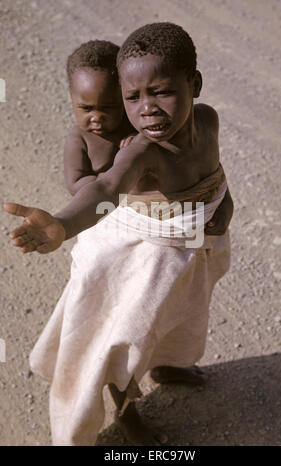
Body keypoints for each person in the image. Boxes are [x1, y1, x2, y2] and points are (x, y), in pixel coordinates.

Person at [4, 22, 233, 446]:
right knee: (122, 338)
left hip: (188, 253)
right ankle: (127, 410)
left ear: (194, 84)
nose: (147, 108)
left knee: (179, 316)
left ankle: (168, 364)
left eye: (161, 91)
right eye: (132, 98)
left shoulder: (207, 119)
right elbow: (105, 189)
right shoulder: (141, 150)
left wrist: (226, 201)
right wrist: (62, 224)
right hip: (140, 261)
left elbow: (213, 173)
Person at [63, 39, 134, 196]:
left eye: (108, 108)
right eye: (86, 108)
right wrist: (109, 178)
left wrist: (140, 142)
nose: (96, 117)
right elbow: (75, 184)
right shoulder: (79, 138)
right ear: (72, 97)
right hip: (103, 207)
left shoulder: (133, 124)